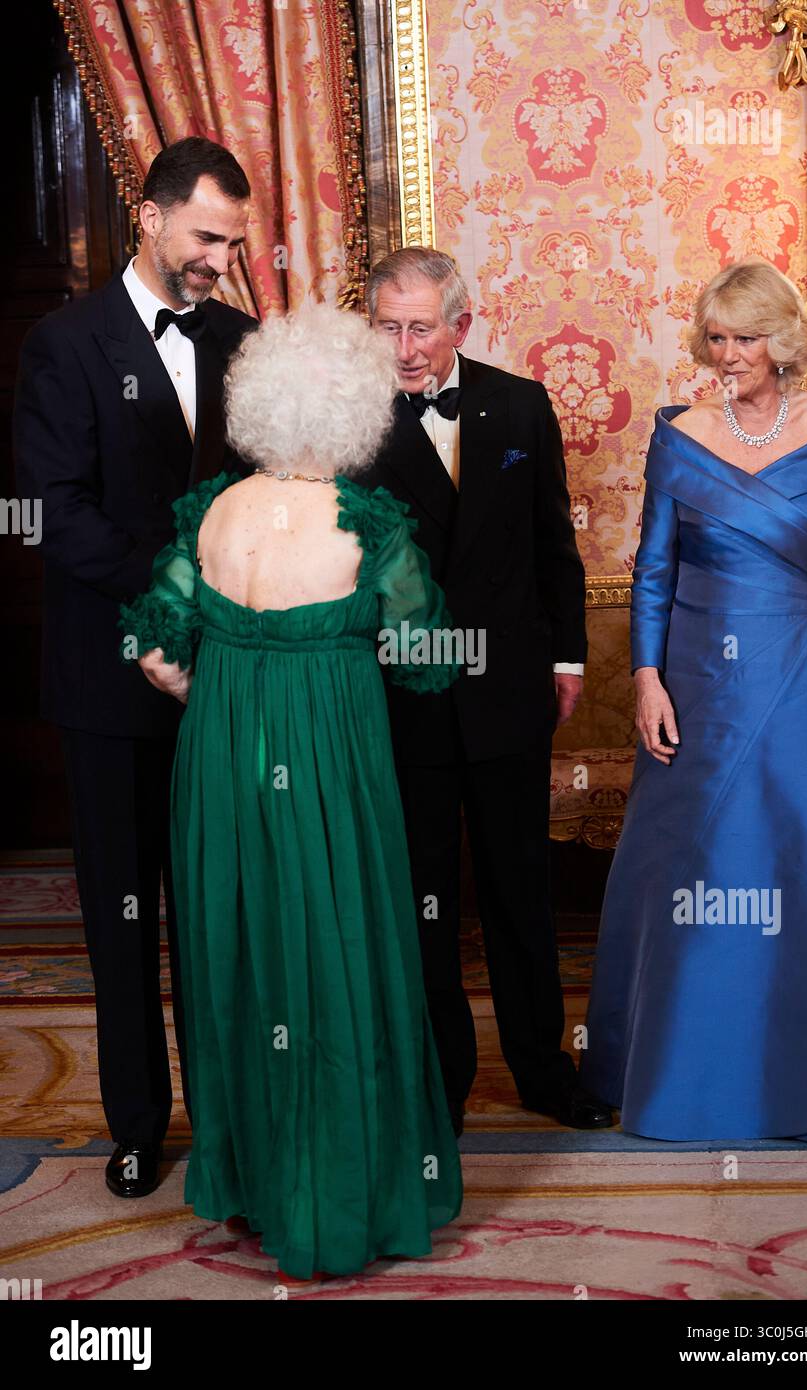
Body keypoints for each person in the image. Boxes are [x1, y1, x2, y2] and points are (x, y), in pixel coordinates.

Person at [118, 304, 463, 1280]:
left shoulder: (214, 511)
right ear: (357, 411)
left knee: (244, 958)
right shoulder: (372, 520)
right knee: (335, 955)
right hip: (327, 765)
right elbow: (426, 657)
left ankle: (257, 1184)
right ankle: (339, 1192)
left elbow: (151, 650)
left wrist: (225, 683)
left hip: (220, 763)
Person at [12, 136, 257, 1199]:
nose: (219, 260)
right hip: (110, 678)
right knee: (122, 915)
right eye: (207, 237)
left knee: (217, 909)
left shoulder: (246, 339)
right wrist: (169, 599)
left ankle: (230, 1121)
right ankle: (135, 1122)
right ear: (150, 217)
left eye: (234, 243)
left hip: (225, 677)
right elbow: (52, 512)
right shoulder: (65, 343)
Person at [581, 257, 807, 1141]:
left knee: (801, 860)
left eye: (745, 339)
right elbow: (654, 568)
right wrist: (646, 677)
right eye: (716, 338)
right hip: (699, 679)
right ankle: (681, 1073)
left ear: (783, 344)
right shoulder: (682, 436)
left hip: (805, 669)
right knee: (699, 869)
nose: (726, 355)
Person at [363, 247, 613, 1135]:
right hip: (405, 693)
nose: (404, 348)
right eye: (387, 328)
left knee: (520, 889)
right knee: (424, 895)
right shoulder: (350, 418)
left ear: (460, 326)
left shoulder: (519, 402)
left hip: (510, 686)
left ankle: (545, 1069)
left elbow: (556, 544)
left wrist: (570, 660)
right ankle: (442, 1081)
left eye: (420, 327)